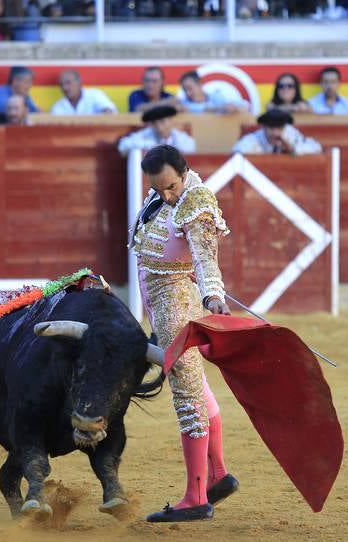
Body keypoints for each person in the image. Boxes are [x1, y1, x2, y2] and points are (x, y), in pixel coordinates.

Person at [129, 144, 238, 523]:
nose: (167, 196)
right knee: (197, 386)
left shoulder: (197, 201)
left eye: (172, 187)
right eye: (159, 190)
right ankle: (217, 474)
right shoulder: (162, 195)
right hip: (166, 303)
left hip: (176, 306)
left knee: (187, 395)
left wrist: (213, 295)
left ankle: (195, 497)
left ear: (185, 170)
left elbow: (207, 258)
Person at [232, 109, 322, 155]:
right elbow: (237, 151)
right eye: (271, 128)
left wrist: (293, 150)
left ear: (284, 127)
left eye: (279, 128)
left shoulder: (290, 134)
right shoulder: (255, 139)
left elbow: (316, 147)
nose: (275, 133)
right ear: (264, 127)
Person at [118, 105, 196, 156]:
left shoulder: (180, 137)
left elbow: (190, 149)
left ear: (171, 121)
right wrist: (151, 146)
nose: (159, 127)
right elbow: (123, 146)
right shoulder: (145, 134)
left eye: (162, 122)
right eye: (155, 123)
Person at [179, 70, 249, 115]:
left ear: (200, 84)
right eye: (185, 90)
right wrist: (219, 109)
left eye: (190, 88)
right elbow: (195, 109)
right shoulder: (183, 104)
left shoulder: (216, 97)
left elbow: (246, 105)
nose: (188, 93)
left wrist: (234, 108)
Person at [50, 70, 117, 115]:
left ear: (79, 82)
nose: (65, 88)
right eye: (61, 84)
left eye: (68, 83)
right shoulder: (58, 107)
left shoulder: (95, 95)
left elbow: (109, 112)